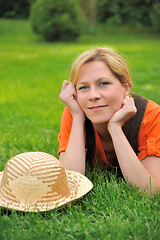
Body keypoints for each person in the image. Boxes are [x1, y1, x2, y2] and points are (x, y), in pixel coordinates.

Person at [58, 47, 160, 195]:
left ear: (125, 88)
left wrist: (115, 128)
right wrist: (78, 118)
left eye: (103, 83)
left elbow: (150, 191)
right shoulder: (75, 112)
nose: (93, 95)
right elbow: (68, 185)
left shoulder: (151, 116)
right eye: (83, 87)